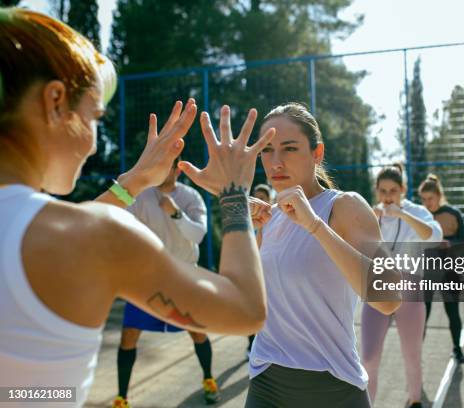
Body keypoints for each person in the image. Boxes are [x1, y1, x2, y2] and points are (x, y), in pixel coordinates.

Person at [0, 8, 274, 407]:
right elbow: (246, 310)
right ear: (56, 101)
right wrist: (233, 195)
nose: (94, 144)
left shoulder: (76, 233)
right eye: (95, 116)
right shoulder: (98, 238)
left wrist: (137, 179)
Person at [233, 103, 401, 408]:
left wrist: (314, 226)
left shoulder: (344, 206)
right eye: (267, 150)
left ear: (317, 153)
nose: (276, 161)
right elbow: (245, 302)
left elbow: (389, 298)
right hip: (267, 380)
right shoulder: (269, 218)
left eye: (289, 148)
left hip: (333, 387)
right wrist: (247, 233)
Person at [114, 159, 219, 407]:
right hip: (147, 279)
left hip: (183, 278)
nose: (160, 171)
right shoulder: (141, 196)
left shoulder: (191, 197)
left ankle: (208, 379)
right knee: (128, 336)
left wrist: (176, 214)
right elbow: (120, 219)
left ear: (176, 170)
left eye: (166, 167)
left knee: (198, 332)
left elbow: (198, 234)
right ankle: (121, 397)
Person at [360, 164, 442, 408]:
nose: (388, 197)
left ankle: (415, 400)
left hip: (410, 288)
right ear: (376, 191)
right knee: (369, 357)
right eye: (383, 191)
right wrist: (368, 222)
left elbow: (435, 236)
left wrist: (402, 215)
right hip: (377, 288)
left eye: (393, 191)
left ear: (403, 190)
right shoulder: (368, 213)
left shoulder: (416, 212)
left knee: (412, 355)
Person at [418, 174, 464, 363]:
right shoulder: (420, 216)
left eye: (430, 198)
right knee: (423, 313)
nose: (427, 202)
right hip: (428, 271)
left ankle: (457, 348)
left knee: (453, 312)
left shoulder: (454, 214)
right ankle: (416, 351)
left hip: (450, 271)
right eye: (423, 199)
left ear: (439, 195)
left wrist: (449, 244)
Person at [245, 183, 274, 359]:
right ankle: (251, 345)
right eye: (255, 197)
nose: (257, 201)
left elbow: (376, 293)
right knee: (253, 312)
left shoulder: (275, 221)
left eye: (262, 198)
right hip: (254, 276)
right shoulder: (247, 223)